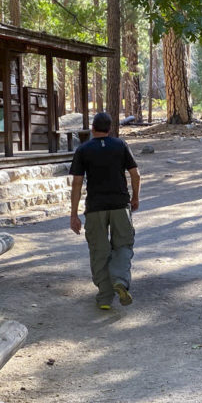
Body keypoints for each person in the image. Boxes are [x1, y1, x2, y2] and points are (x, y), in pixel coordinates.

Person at [69, 112, 140, 310]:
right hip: (119, 204)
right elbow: (136, 175)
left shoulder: (83, 149)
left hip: (95, 208)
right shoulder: (120, 145)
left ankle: (104, 297)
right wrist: (135, 197)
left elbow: (76, 182)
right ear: (110, 129)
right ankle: (120, 280)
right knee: (123, 245)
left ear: (92, 128)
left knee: (99, 250)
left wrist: (74, 214)